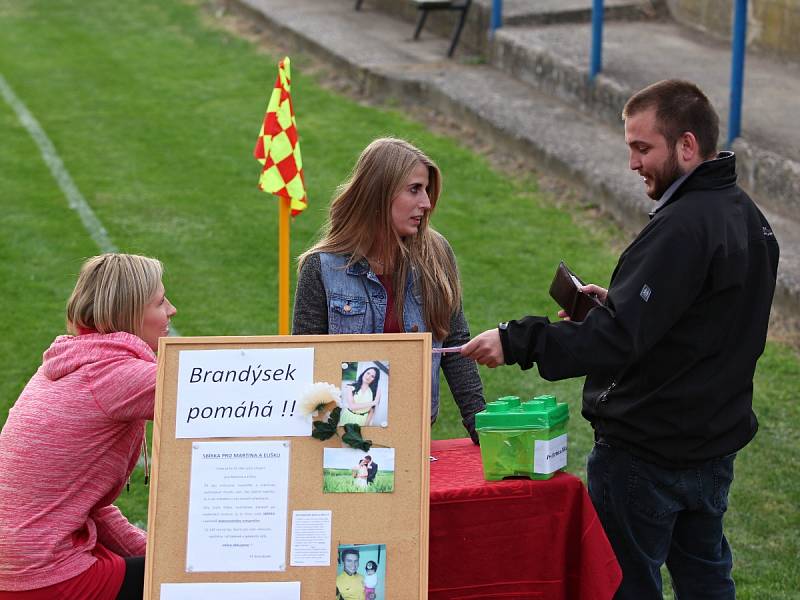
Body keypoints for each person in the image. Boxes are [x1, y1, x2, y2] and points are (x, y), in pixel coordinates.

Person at [462, 80, 779, 599]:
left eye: (642, 147)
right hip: (712, 448)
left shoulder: (683, 227)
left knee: (623, 587)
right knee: (707, 581)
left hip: (648, 454)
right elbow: (707, 321)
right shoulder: (750, 218)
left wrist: (517, 340)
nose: (633, 163)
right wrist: (623, 300)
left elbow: (615, 340)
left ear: (687, 145)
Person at [0, 253, 177, 600]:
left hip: (18, 562)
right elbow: (221, 397)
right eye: (160, 302)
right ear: (129, 314)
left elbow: (86, 502)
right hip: (40, 573)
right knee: (200, 580)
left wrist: (143, 550)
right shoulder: (117, 375)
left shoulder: (75, 361)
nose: (171, 310)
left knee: (160, 565)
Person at [293, 137, 485, 442]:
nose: (426, 203)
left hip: (416, 434)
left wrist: (480, 429)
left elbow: (455, 345)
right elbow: (306, 362)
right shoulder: (321, 267)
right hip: (342, 439)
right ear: (379, 193)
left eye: (426, 190)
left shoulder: (437, 254)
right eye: (414, 189)